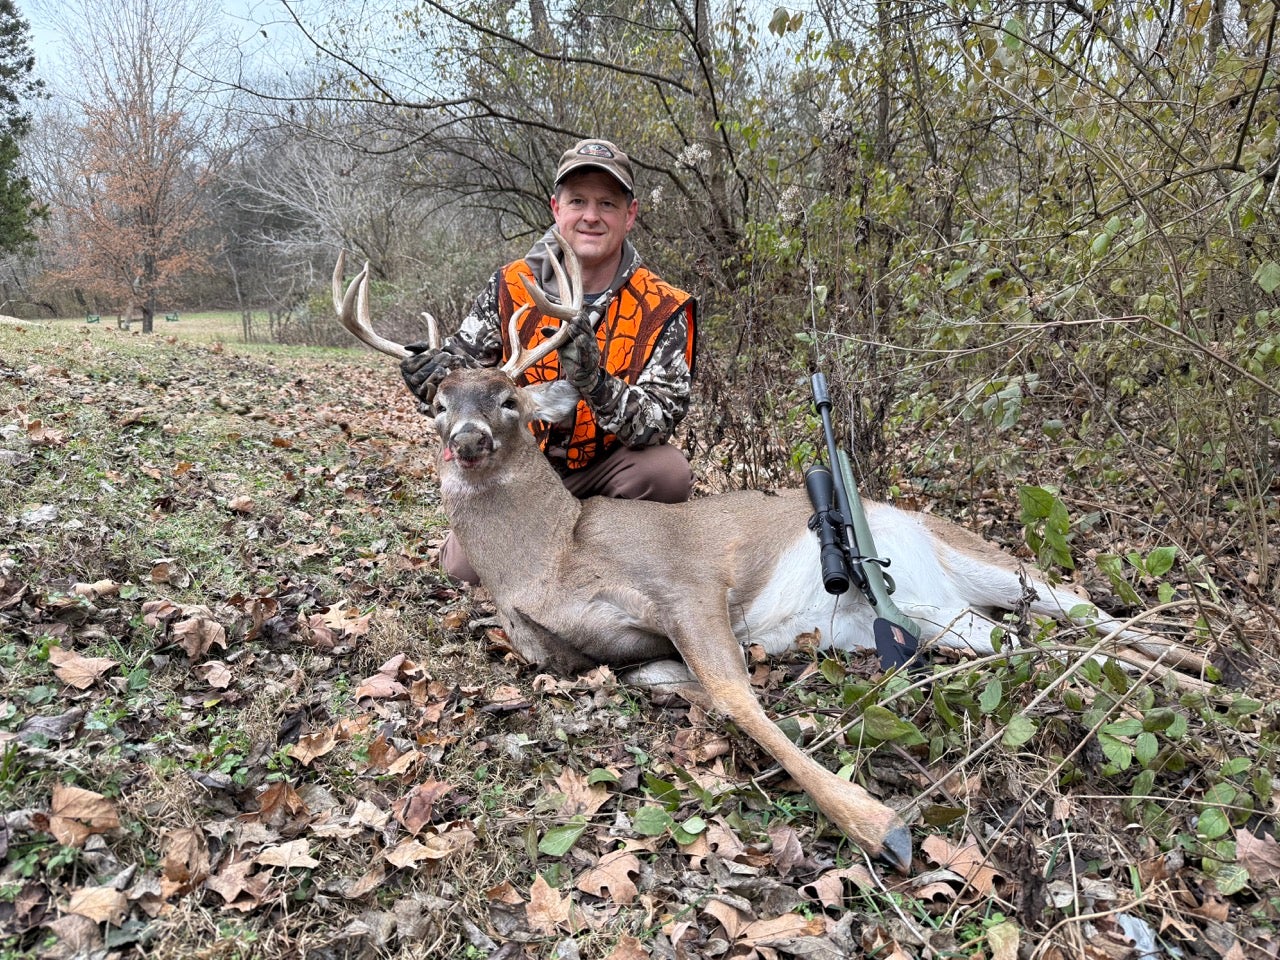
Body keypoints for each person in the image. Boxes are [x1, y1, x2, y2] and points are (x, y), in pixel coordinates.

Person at [401, 138, 698, 584]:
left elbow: (656, 422)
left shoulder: (664, 307)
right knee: (464, 569)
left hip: (612, 472)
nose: (591, 216)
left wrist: (594, 381)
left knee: (667, 474)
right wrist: (431, 380)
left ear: (630, 214)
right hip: (519, 470)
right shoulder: (510, 285)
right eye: (578, 201)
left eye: (607, 203)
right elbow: (462, 376)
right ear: (556, 207)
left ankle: (616, 570)